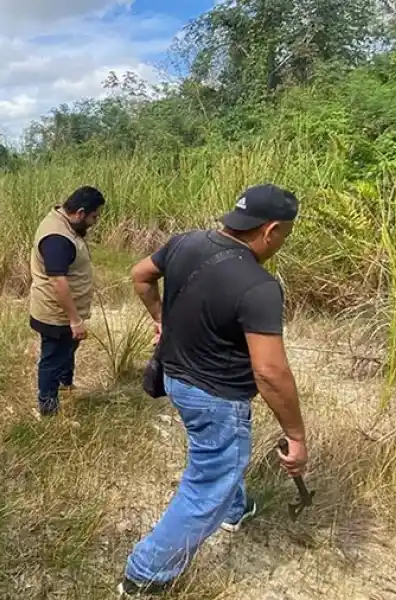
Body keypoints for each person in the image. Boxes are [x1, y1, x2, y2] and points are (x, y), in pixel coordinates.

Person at [118, 183, 309, 597]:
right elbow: (271, 372)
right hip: (215, 398)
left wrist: (160, 318)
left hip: (176, 378)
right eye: (285, 235)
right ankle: (144, 575)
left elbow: (140, 275)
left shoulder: (185, 242)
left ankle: (235, 508)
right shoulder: (259, 286)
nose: (282, 243)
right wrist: (295, 436)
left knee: (221, 458)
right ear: (271, 230)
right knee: (208, 481)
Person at [28, 186, 105, 417]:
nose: (95, 221)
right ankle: (48, 408)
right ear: (80, 212)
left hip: (65, 313)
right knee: (52, 358)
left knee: (66, 350)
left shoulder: (65, 224)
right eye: (94, 216)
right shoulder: (57, 238)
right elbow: (58, 281)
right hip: (56, 314)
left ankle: (65, 384)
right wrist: (74, 320)